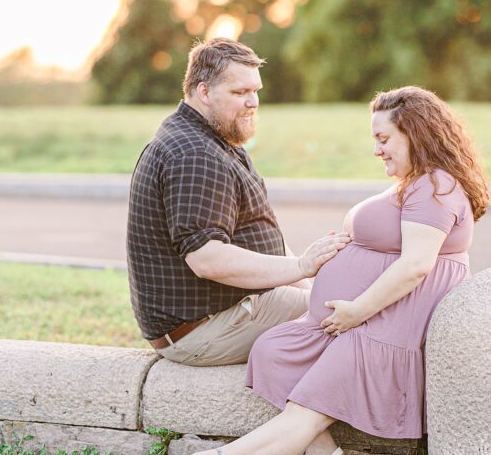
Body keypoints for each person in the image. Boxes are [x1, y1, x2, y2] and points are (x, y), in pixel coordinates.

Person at [130, 85, 491, 455]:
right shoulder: (414, 182)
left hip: (385, 326)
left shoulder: (435, 186)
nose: (378, 150)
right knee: (273, 352)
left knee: (304, 413)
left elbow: (415, 266)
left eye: (384, 138)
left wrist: (358, 310)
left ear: (416, 133)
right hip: (358, 318)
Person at [126, 37, 349, 367]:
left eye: (255, 91)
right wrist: (302, 266)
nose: (253, 102)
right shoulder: (195, 154)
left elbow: (260, 233)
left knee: (345, 298)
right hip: (204, 330)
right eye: (240, 92)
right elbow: (207, 259)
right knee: (354, 316)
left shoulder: (215, 140)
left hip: (229, 312)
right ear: (204, 92)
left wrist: (310, 280)